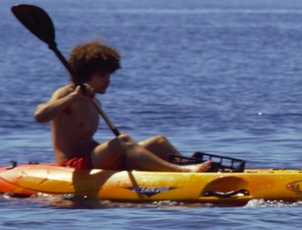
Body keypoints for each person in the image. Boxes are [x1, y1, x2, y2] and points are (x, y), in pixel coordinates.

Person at [33, 39, 212, 172]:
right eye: (103, 75)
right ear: (87, 74)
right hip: (73, 164)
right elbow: (40, 115)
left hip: (94, 157)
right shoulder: (66, 94)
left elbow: (85, 140)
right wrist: (73, 97)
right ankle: (182, 170)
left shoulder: (93, 100)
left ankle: (195, 170)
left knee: (158, 141)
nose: (108, 81)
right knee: (122, 140)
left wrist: (123, 151)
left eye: (109, 75)